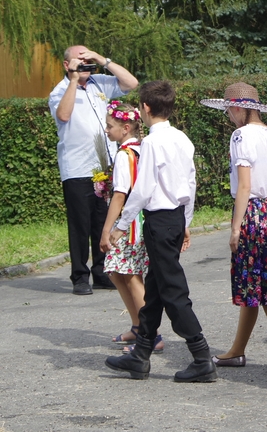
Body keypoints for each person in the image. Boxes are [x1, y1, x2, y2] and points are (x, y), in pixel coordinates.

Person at [104, 81, 217, 383]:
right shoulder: (181, 138)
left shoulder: (153, 143)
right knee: (154, 289)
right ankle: (141, 355)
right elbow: (191, 183)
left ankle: (202, 357)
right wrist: (186, 222)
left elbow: (143, 189)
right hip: (175, 217)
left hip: (159, 220)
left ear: (145, 108)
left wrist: (121, 225)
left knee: (173, 291)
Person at [200, 83, 267, 371]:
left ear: (237, 108)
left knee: (264, 290)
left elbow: (245, 186)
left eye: (228, 111)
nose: (228, 116)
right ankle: (237, 350)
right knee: (254, 287)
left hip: (253, 213)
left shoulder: (241, 135)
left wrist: (236, 228)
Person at [49, 46, 138, 295]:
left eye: (87, 61)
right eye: (80, 62)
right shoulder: (59, 90)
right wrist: (74, 80)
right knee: (80, 224)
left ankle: (101, 272)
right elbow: (63, 115)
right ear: (67, 65)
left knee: (102, 220)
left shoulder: (99, 82)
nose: (85, 66)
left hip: (104, 166)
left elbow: (131, 83)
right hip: (77, 168)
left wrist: (101, 59)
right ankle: (80, 276)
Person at [99, 101, 163, 352]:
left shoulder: (125, 154)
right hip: (139, 219)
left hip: (129, 223)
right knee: (117, 272)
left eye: (110, 126)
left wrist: (106, 230)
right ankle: (138, 325)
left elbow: (120, 195)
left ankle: (151, 333)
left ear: (125, 128)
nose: (106, 130)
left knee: (131, 275)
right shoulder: (140, 149)